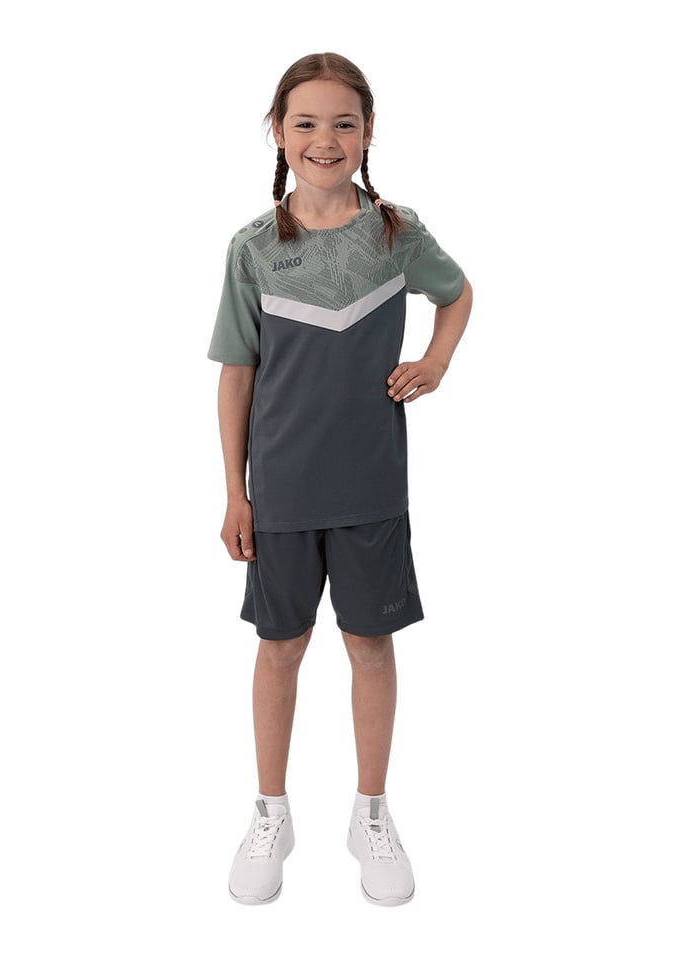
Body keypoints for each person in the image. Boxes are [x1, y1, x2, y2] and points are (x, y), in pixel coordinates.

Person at [208, 52, 472, 907]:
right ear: (278, 133)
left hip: (370, 488)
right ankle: (270, 814)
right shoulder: (253, 247)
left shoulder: (396, 233)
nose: (325, 140)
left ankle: (371, 815)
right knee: (279, 648)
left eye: (344, 123)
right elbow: (237, 376)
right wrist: (236, 491)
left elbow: (457, 293)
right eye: (306, 123)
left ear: (368, 133)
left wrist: (435, 361)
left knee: (369, 646)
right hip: (281, 491)